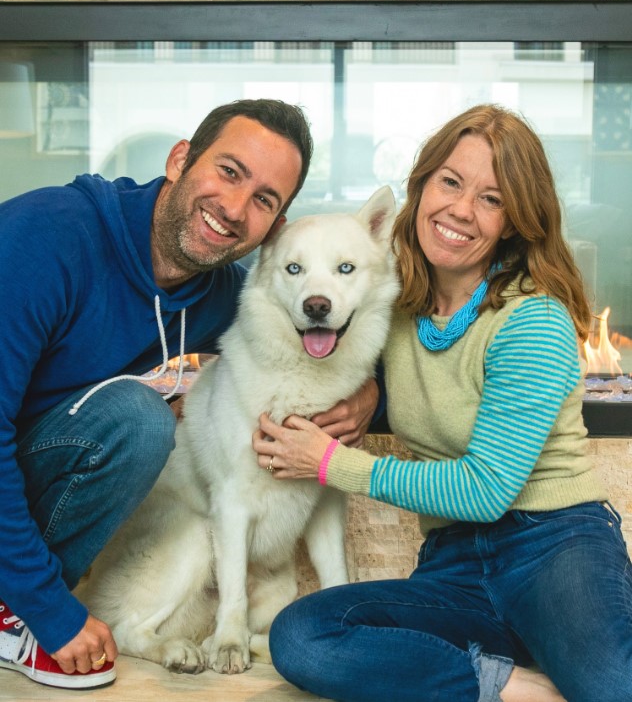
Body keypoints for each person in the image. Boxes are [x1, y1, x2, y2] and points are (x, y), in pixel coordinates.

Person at [252, 104, 632, 702]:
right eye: (450, 181)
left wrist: (327, 462)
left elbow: (485, 490)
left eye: (492, 198)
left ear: (513, 220)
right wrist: (369, 393)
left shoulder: (531, 320)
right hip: (454, 563)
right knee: (304, 635)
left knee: (613, 689)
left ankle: (551, 651)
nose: (460, 209)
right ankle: (512, 681)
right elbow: (333, 340)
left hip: (553, 547)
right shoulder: (391, 301)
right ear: (422, 185)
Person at [0, 98, 377, 691]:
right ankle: (15, 608)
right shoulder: (43, 239)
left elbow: (310, 327)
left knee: (140, 422)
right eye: (229, 172)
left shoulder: (215, 291)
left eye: (263, 199)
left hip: (34, 459)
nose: (233, 208)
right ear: (180, 160)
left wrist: (367, 394)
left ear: (272, 229)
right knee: (140, 420)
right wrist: (50, 609)